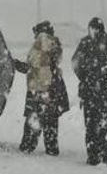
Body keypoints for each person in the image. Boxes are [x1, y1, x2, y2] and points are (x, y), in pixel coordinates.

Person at [72, 17, 107, 166]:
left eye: (95, 28)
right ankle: (105, 153)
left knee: (93, 121)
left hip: (94, 90)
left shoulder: (86, 42)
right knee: (105, 121)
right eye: (93, 28)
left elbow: (75, 63)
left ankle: (96, 153)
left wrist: (87, 76)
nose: (94, 31)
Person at [13, 21, 68, 156]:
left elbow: (35, 67)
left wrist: (19, 66)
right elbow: (37, 67)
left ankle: (28, 145)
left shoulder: (42, 42)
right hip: (52, 87)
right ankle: (52, 148)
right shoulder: (52, 44)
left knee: (35, 117)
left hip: (40, 87)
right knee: (51, 120)